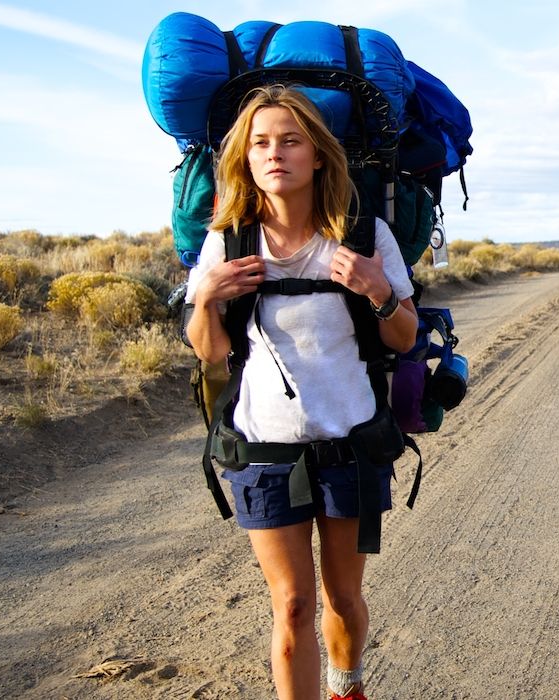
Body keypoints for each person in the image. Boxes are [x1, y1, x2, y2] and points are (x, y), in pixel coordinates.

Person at [185, 83, 417, 700]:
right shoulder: (227, 242)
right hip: (265, 452)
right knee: (289, 607)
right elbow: (210, 352)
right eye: (260, 142)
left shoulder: (364, 238)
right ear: (244, 158)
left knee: (342, 596)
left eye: (290, 140)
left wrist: (378, 290)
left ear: (318, 155)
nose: (274, 153)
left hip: (351, 444)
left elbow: (403, 335)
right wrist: (207, 298)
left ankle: (347, 687)